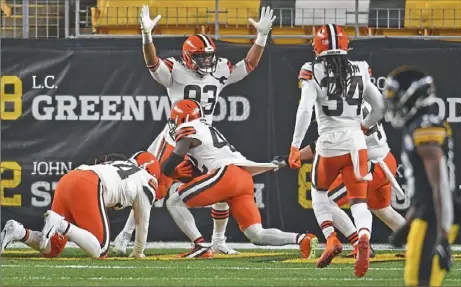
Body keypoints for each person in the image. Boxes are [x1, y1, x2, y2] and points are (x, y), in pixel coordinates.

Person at [113, 5, 277, 255]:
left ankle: (217, 241)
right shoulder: (175, 70)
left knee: (222, 183)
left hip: (205, 138)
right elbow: (152, 62)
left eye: (210, 56)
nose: (208, 61)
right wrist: (147, 36)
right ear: (189, 57)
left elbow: (248, 65)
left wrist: (262, 37)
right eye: (202, 57)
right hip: (176, 137)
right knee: (154, 185)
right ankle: (125, 235)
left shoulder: (220, 69)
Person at [287, 24, 386, 277]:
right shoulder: (361, 68)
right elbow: (380, 106)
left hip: (329, 142)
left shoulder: (312, 70)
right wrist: (364, 125)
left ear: (317, 47)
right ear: (345, 45)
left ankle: (331, 237)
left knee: (319, 193)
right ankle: (363, 237)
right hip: (356, 142)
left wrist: (295, 145)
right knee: (359, 202)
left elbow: (305, 110)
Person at [162, 99, 318, 258]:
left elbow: (173, 161)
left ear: (182, 119)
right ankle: (301, 238)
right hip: (242, 176)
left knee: (174, 201)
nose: (174, 124)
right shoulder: (206, 128)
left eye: (175, 120)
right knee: (256, 234)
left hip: (226, 174)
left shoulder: (188, 129)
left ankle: (200, 245)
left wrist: (169, 173)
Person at [273, 102, 406, 258]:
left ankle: (359, 244)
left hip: (369, 165)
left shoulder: (342, 108)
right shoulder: (356, 100)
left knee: (326, 200)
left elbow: (325, 145)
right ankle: (419, 245)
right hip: (385, 159)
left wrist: (295, 156)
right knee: (384, 210)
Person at [384, 67, 461, 286]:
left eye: (396, 96)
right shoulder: (420, 124)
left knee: (420, 282)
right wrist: (408, 222)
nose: (393, 103)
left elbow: (440, 186)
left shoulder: (424, 127)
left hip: (434, 217)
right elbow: (426, 187)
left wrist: (443, 237)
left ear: (412, 95)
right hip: (428, 213)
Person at [0, 152, 160, 259]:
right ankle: (59, 223)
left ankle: (18, 231)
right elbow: (142, 222)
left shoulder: (119, 163)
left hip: (69, 179)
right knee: (101, 250)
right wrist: (138, 252)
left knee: (53, 248)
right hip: (90, 184)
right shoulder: (148, 181)